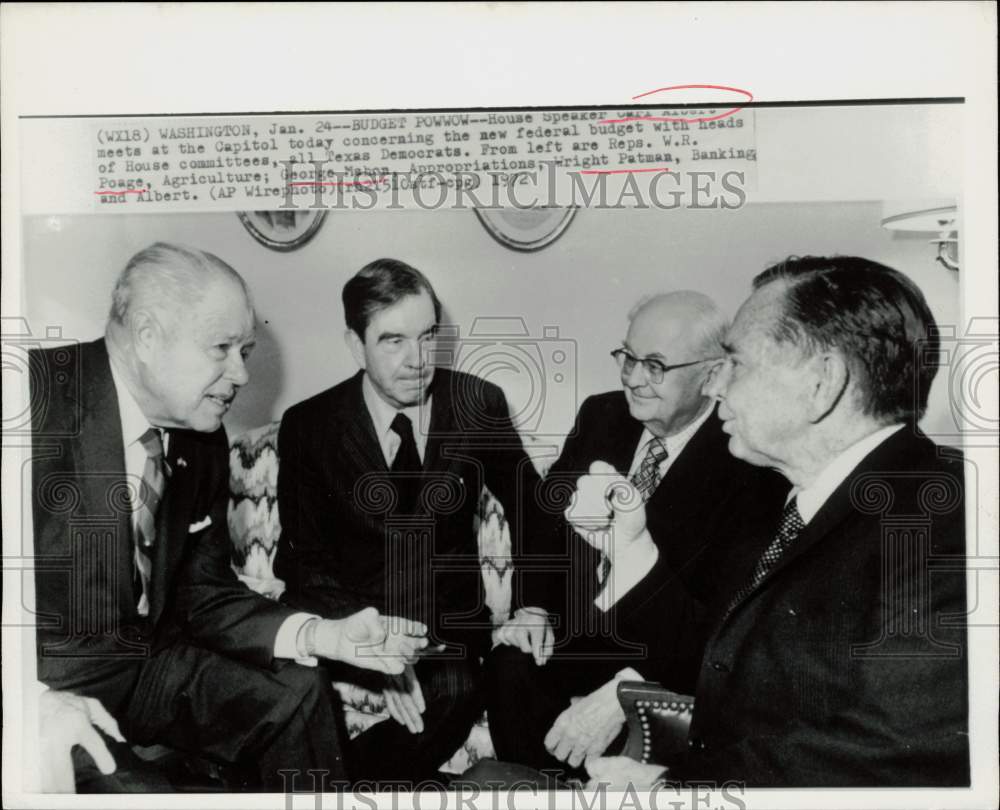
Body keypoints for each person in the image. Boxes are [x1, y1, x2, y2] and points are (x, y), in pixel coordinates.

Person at [30, 242, 427, 792]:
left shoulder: (201, 434)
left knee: (298, 692)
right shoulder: (31, 402)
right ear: (146, 335)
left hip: (146, 668)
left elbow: (202, 590)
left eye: (245, 350)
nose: (240, 374)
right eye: (222, 348)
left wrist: (322, 635)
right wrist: (32, 705)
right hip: (43, 686)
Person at [580, 256, 969, 787]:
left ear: (821, 383)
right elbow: (713, 656)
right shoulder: (795, 500)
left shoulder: (949, 522)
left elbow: (889, 753)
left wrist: (670, 791)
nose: (716, 389)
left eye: (736, 365)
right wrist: (632, 547)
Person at [484, 292, 788, 778]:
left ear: (712, 376)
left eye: (655, 365)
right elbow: (545, 523)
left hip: (664, 655)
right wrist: (534, 608)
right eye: (627, 356)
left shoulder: (746, 460)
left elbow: (723, 621)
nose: (631, 377)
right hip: (577, 635)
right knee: (510, 664)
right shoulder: (601, 415)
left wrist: (636, 685)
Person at [273, 258, 543, 785]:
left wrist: (531, 604)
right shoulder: (309, 425)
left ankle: (328, 789)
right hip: (351, 623)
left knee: (456, 693)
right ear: (356, 344)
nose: (418, 360)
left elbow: (534, 510)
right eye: (393, 341)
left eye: (427, 337)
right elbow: (303, 560)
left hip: (446, 630)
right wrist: (372, 642)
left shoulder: (477, 404)